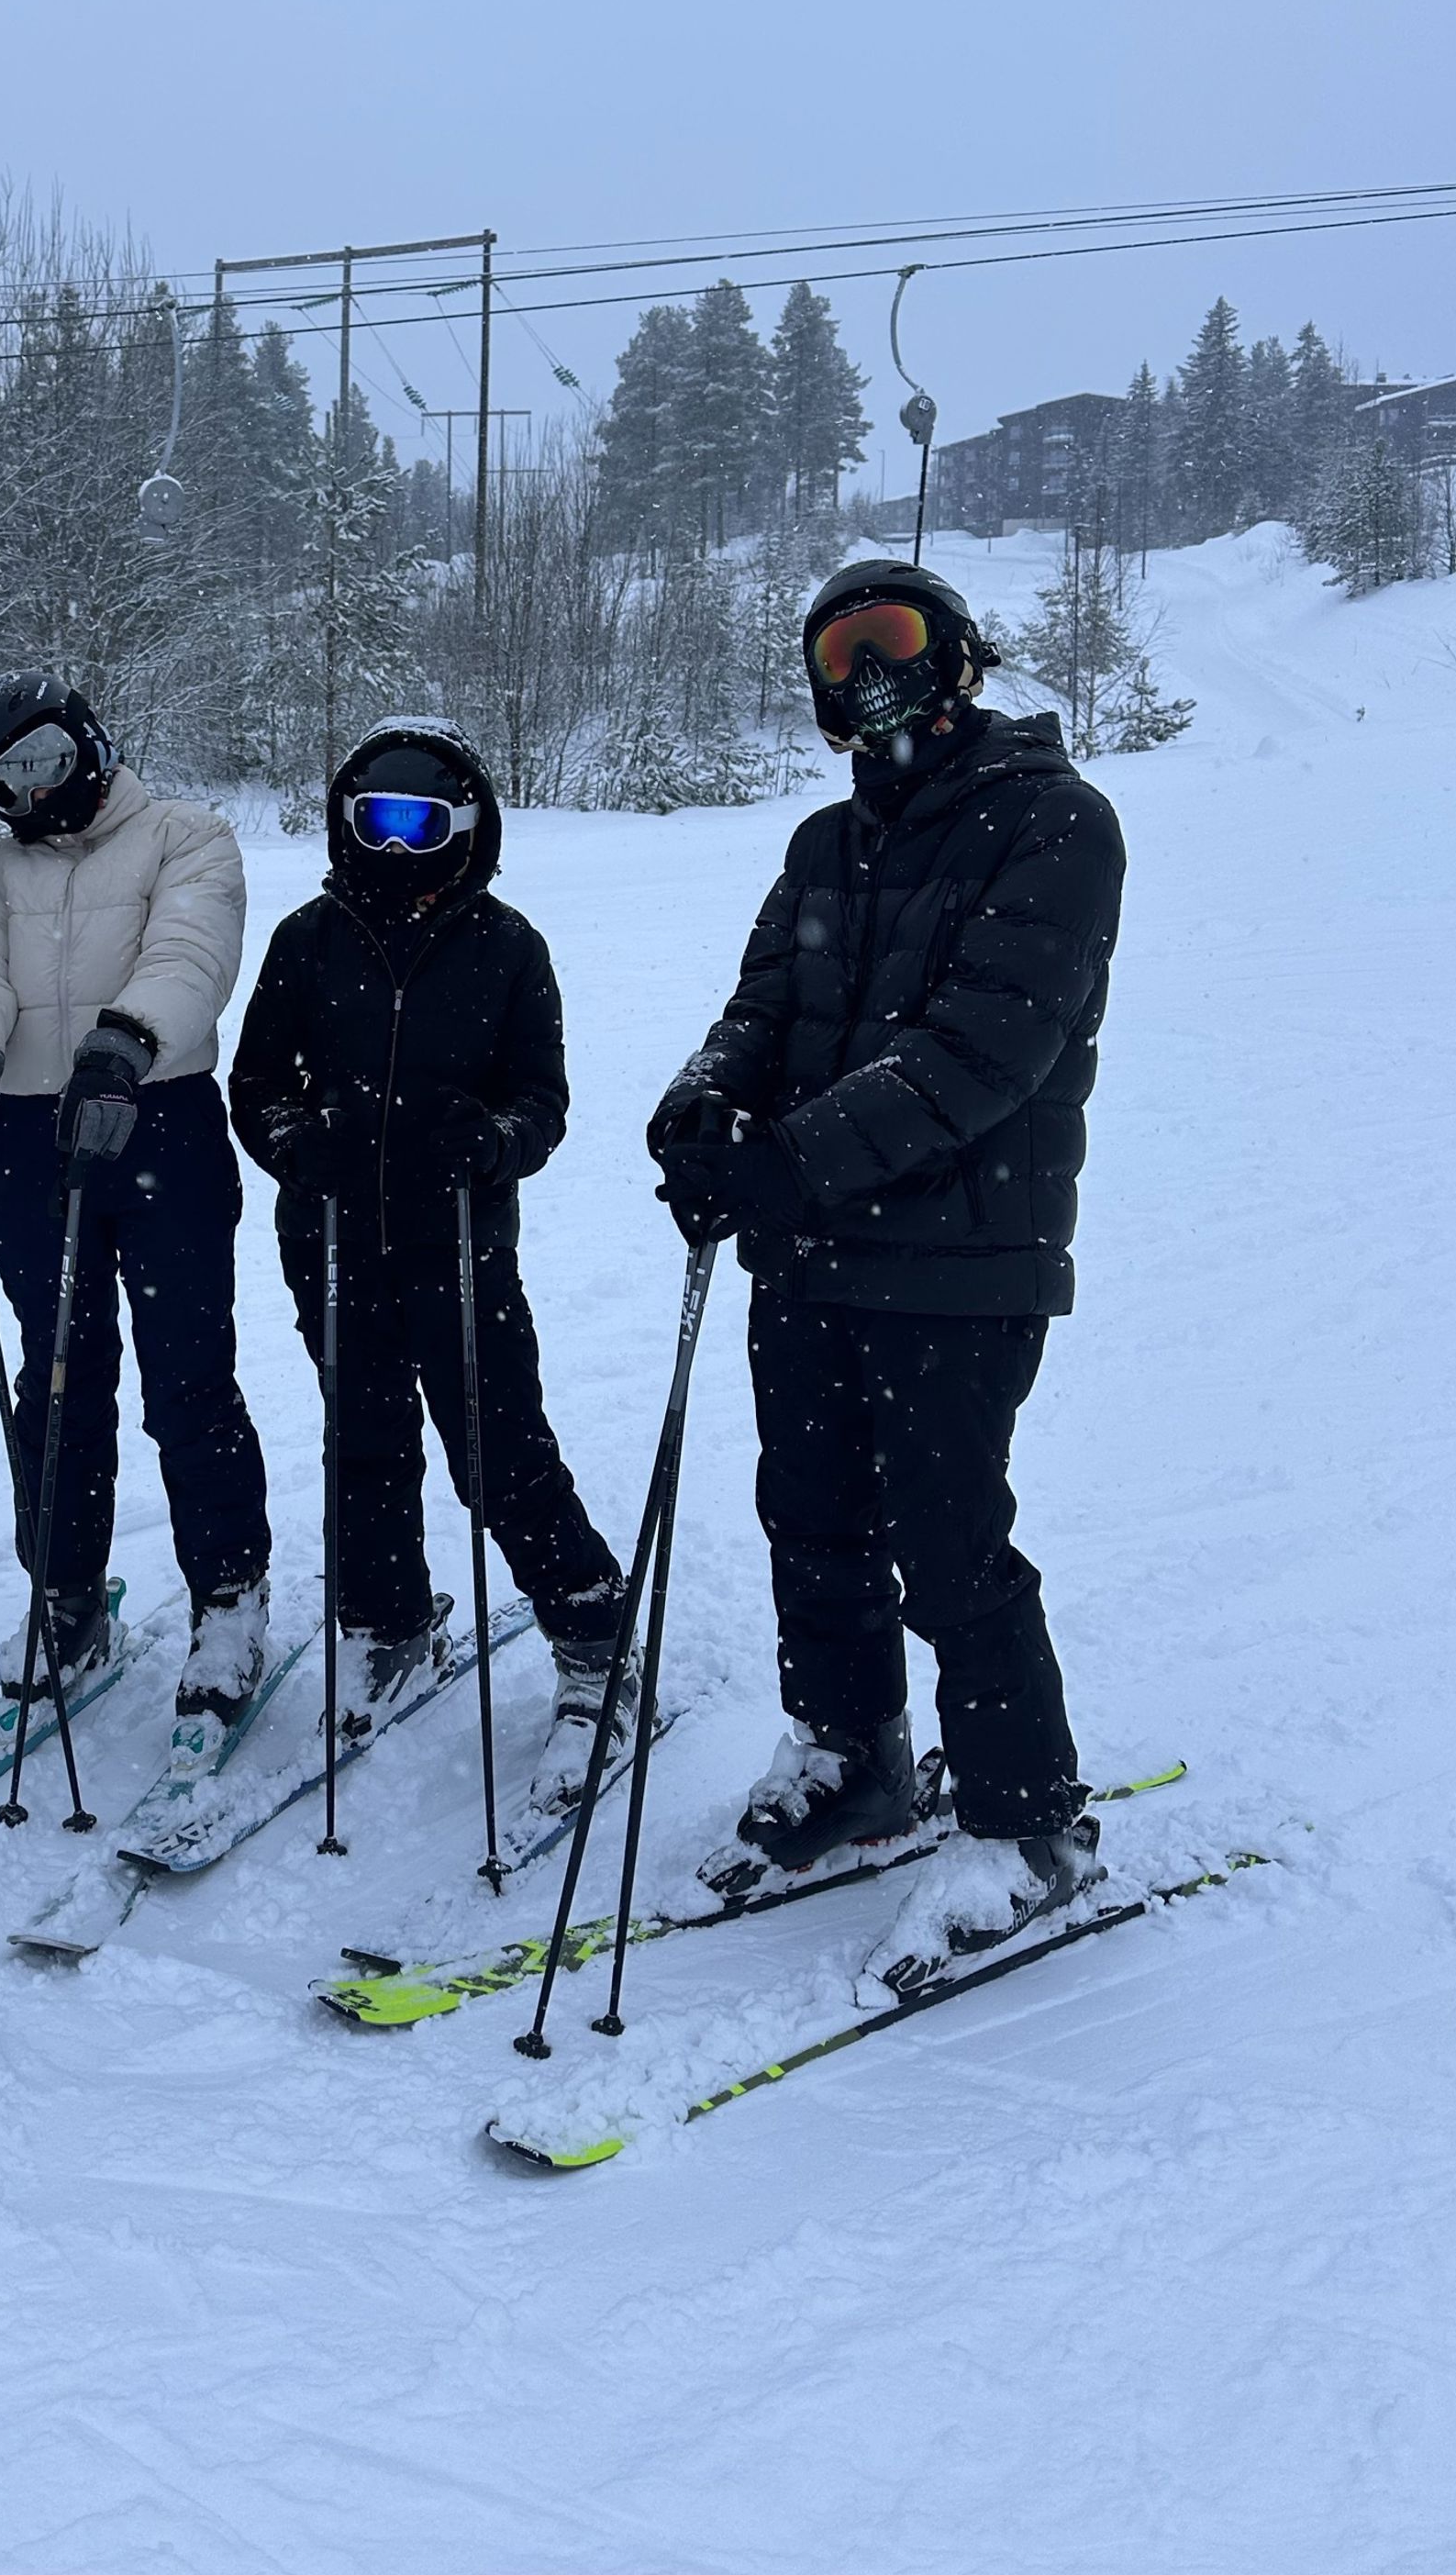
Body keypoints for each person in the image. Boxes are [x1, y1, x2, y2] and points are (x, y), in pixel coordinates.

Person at [647, 559, 1127, 1991]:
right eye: (839, 653)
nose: (869, 674)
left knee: (949, 1535)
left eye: (892, 639)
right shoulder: (820, 845)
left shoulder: (1055, 822)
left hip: (965, 1257)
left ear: (958, 656)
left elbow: (986, 1048)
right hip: (809, 1258)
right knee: (811, 1514)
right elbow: (761, 1009)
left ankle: (1027, 1824)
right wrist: (700, 1110)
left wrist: (787, 1160)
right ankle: (851, 1755)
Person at [228, 720, 633, 1815]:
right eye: (375, 822)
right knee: (361, 1434)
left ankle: (595, 1634)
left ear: (465, 829)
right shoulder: (309, 938)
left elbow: (540, 1098)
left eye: (421, 825)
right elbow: (255, 1076)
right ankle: (386, 1618)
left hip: (457, 1237)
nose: (396, 848)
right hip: (330, 1233)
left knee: (497, 1443)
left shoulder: (507, 947)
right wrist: (287, 1140)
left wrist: (497, 1141)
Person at [0, 674, 270, 1723]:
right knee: (60, 1375)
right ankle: (65, 1590)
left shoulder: (185, 835)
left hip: (157, 1115)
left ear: (90, 746)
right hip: (32, 1134)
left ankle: (229, 1594)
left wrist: (124, 1040)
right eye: (5, 782)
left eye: (46, 763)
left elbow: (191, 951)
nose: (30, 795)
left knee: (189, 1379)